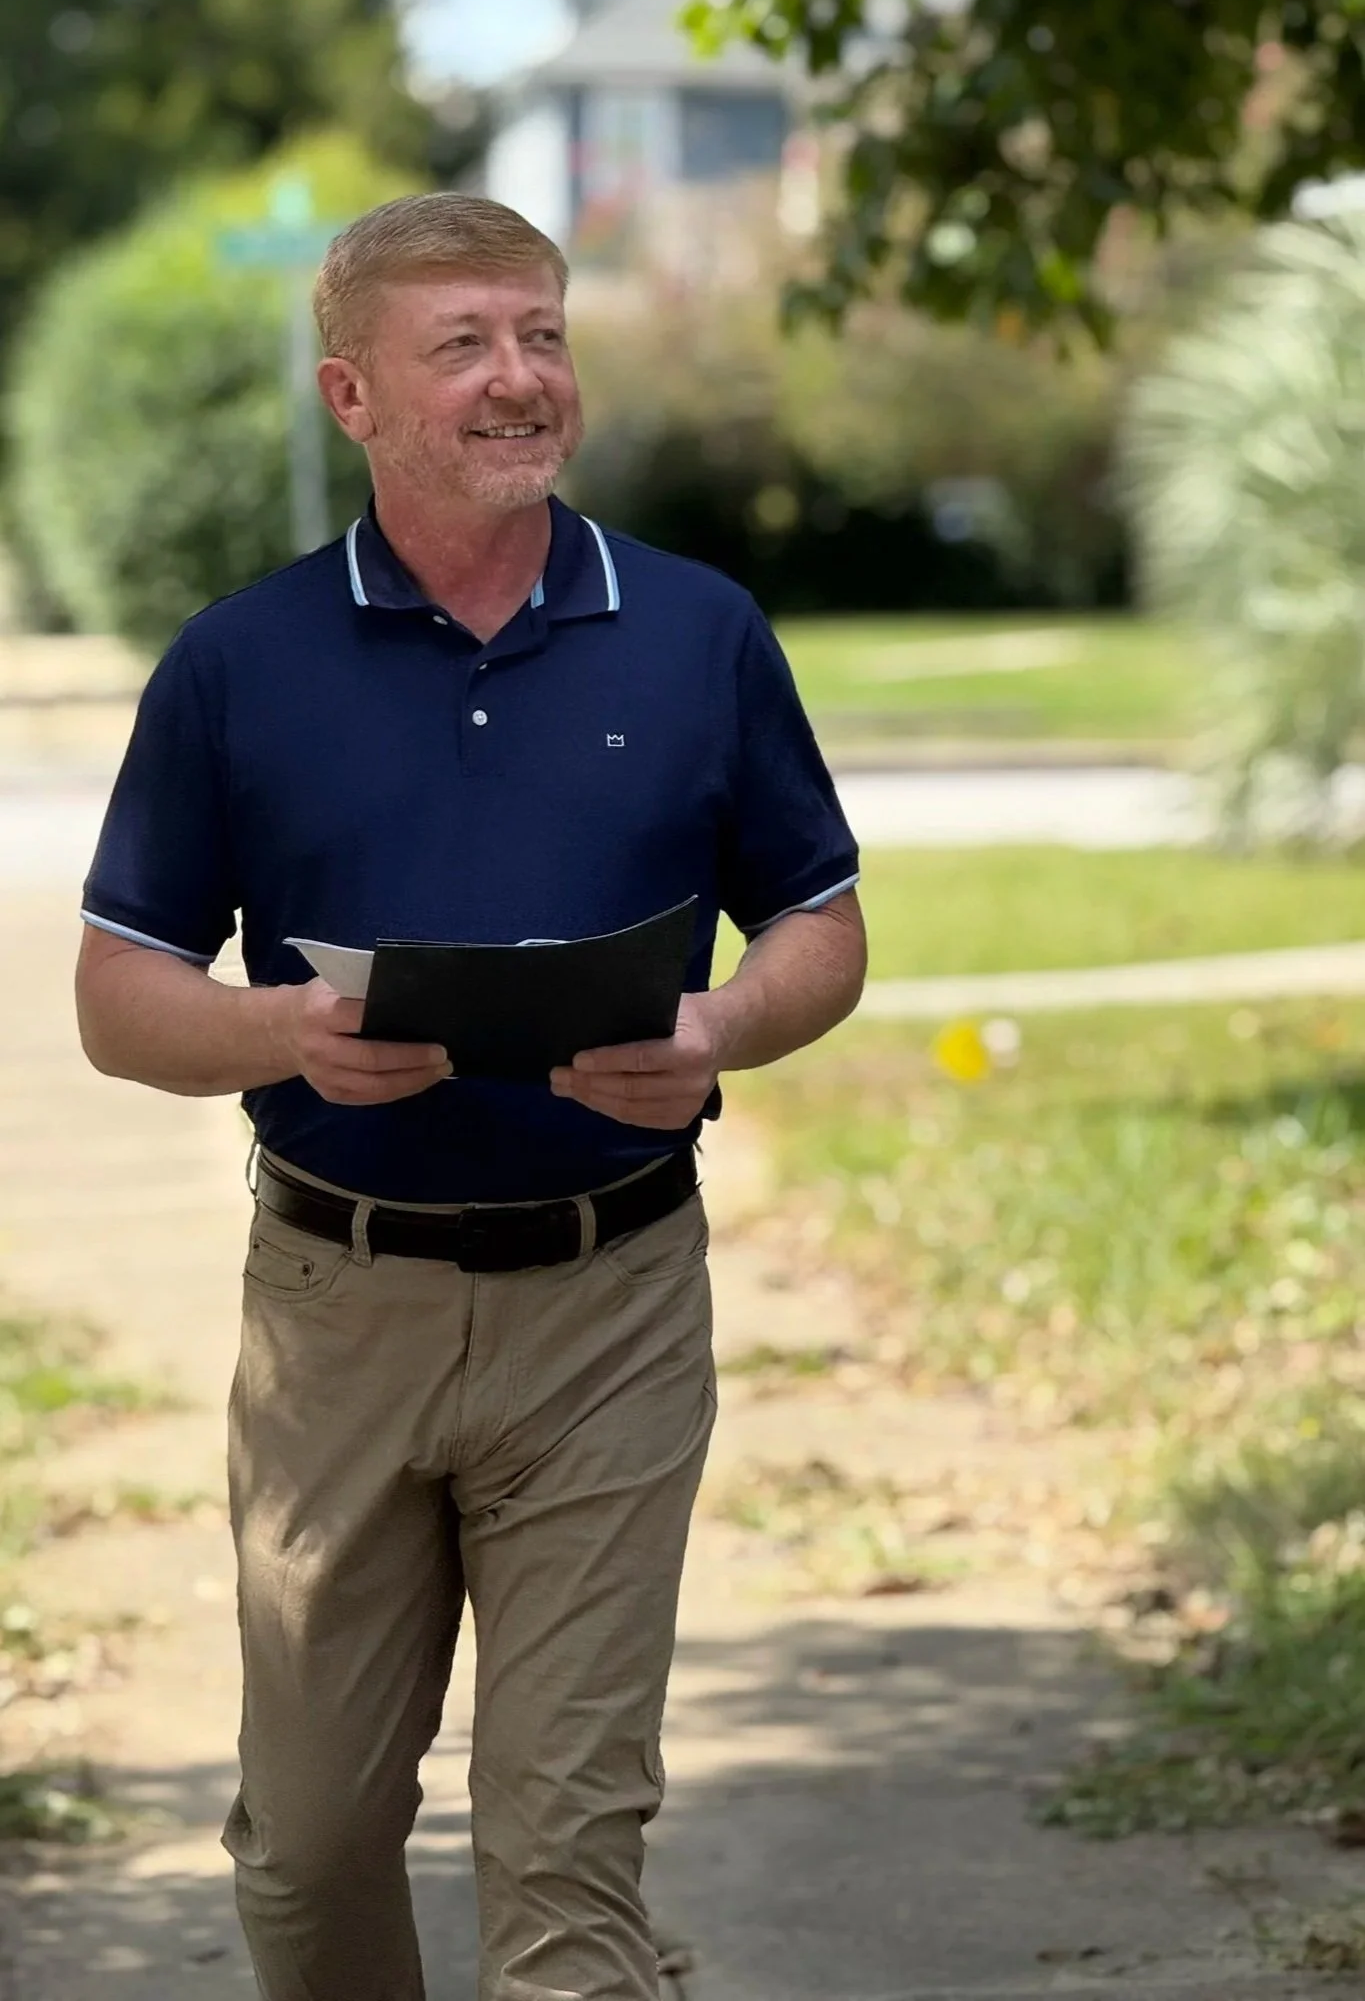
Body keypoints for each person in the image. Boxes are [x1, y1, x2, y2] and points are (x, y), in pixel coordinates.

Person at [74, 192, 866, 2001]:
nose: (521, 378)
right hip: (335, 1313)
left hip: (614, 1301)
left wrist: (725, 1026)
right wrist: (286, 1035)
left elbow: (821, 924)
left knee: (566, 1855)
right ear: (351, 396)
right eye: (465, 345)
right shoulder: (236, 663)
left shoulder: (699, 632)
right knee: (309, 1849)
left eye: (543, 335)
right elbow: (119, 999)